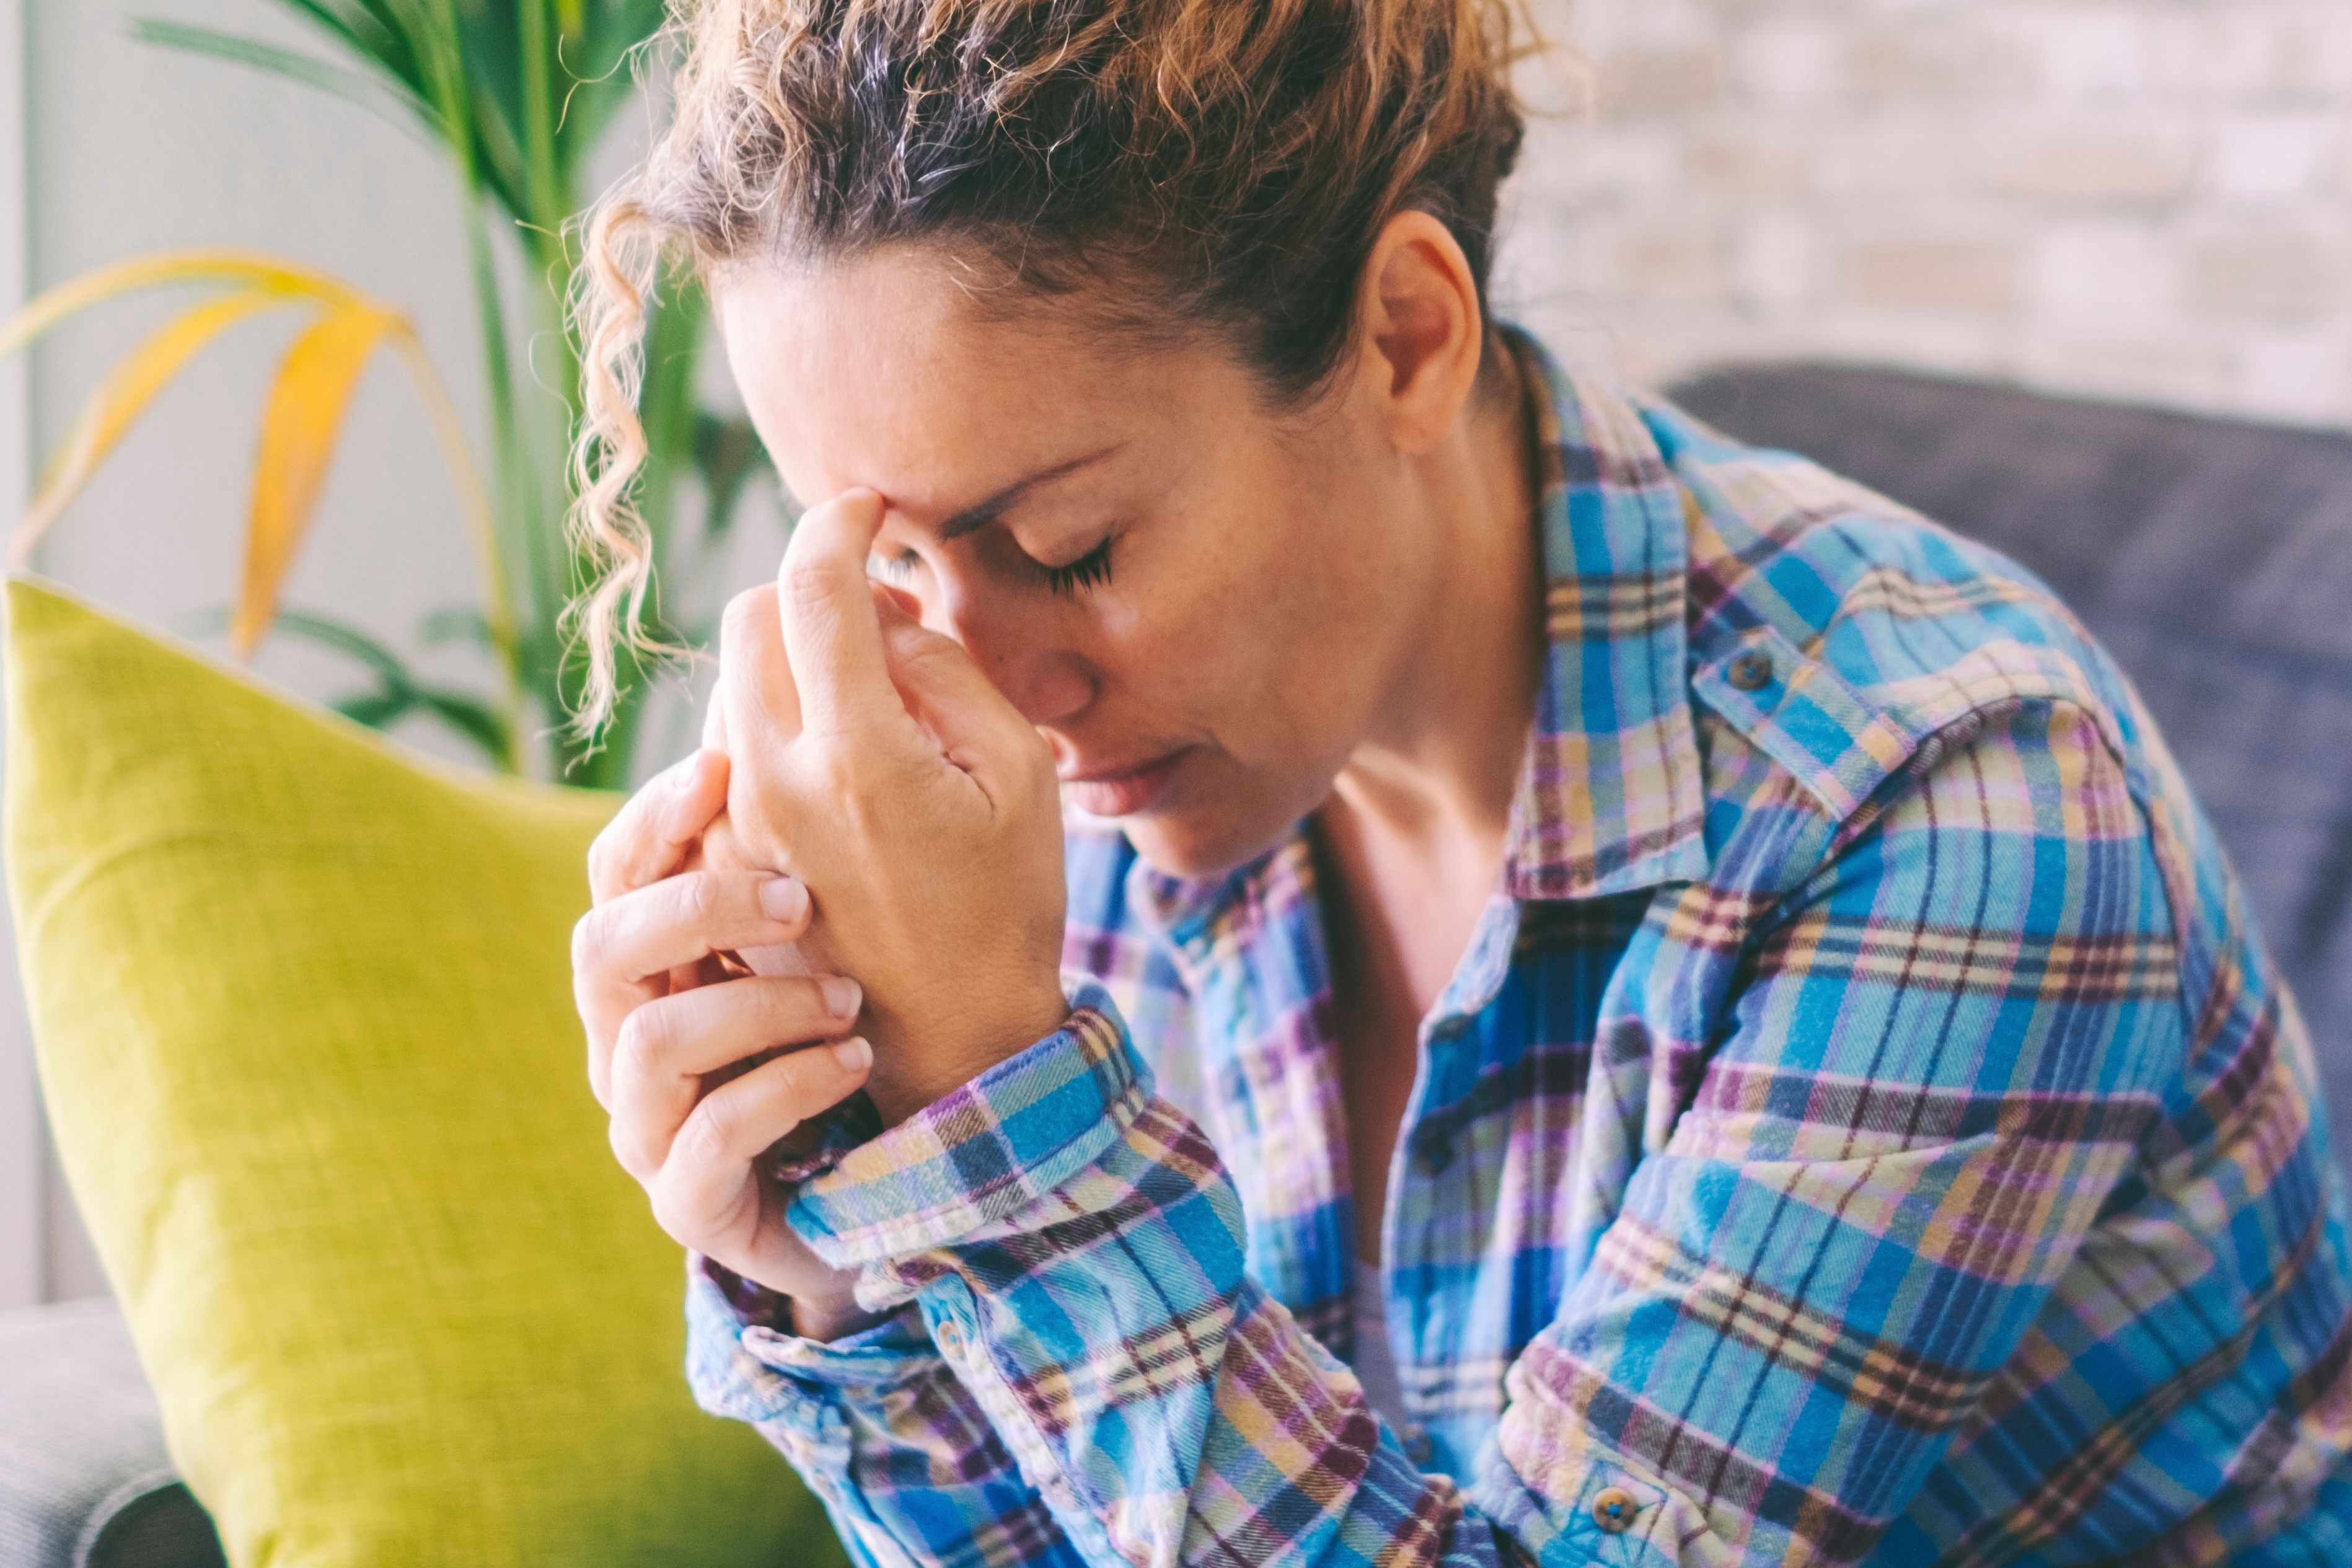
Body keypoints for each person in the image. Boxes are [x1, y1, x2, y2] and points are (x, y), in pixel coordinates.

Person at [563, 3, 2352, 1564]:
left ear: (1407, 338)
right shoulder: (1119, 760)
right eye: (891, 571)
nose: (1001, 692)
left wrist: (1007, 1116)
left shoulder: (1941, 795)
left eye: (1070, 541)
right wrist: (847, 1269)